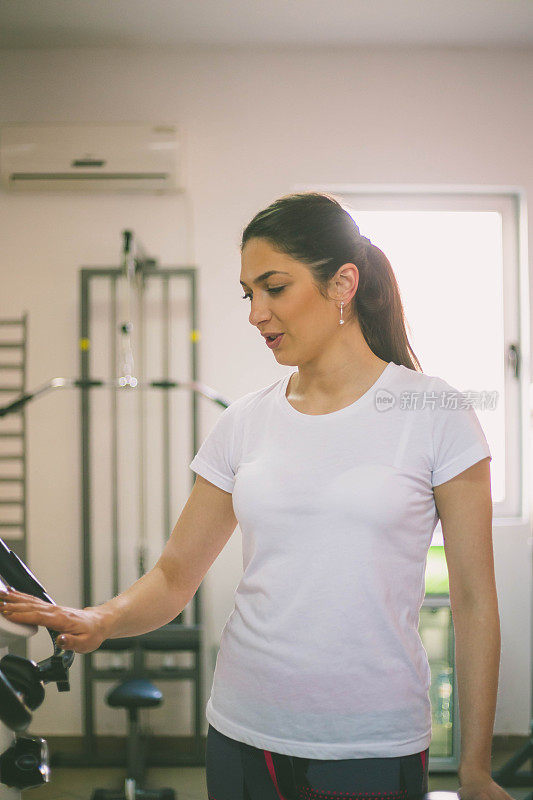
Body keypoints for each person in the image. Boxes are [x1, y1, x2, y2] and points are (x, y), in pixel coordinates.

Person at [0, 193, 503, 800]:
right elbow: (174, 574)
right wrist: (100, 619)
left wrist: (474, 768)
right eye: (249, 294)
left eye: (274, 287)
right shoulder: (243, 422)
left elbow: (474, 601)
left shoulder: (435, 411)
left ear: (343, 283)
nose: (256, 313)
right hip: (243, 728)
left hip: (369, 741)